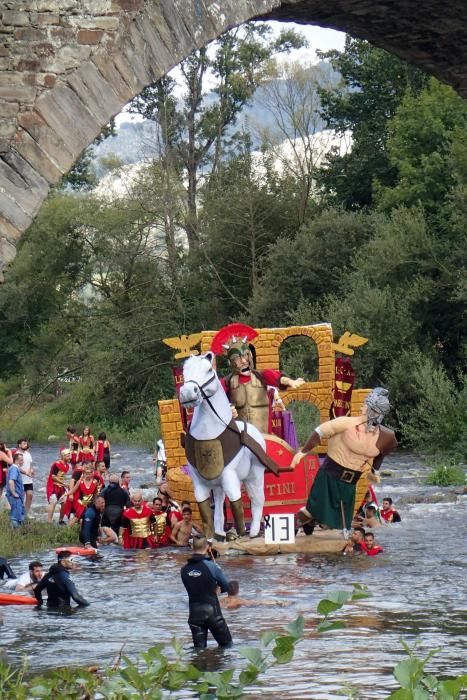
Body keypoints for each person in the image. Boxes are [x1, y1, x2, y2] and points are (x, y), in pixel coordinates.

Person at [292, 387, 398, 533]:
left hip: (351, 482)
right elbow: (320, 431)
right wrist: (303, 452)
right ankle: (293, 526)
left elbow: (382, 453)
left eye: (380, 412)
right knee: (312, 510)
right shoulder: (345, 423)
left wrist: (375, 470)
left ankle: (314, 522)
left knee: (340, 522)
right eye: (374, 410)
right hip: (330, 475)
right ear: (366, 407)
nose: (376, 415)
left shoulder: (385, 436)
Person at [210, 323, 305, 435]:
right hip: (240, 440)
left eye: (245, 356)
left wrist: (291, 381)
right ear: (231, 362)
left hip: (265, 437)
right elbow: (213, 397)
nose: (244, 361)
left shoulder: (262, 376)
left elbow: (278, 378)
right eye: (238, 359)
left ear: (250, 355)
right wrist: (227, 409)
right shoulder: (227, 383)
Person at [180, 537, 235, 649]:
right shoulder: (212, 566)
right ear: (207, 547)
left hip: (194, 615)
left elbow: (195, 585)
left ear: (192, 547)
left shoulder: (184, 570)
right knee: (227, 646)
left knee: (199, 650)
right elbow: (227, 586)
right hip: (212, 613)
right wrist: (218, 584)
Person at [46, 448, 72, 523]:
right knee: (53, 502)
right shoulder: (56, 464)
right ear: (63, 456)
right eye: (68, 456)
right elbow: (53, 476)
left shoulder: (67, 466)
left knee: (65, 502)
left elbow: (62, 476)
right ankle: (49, 521)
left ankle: (60, 520)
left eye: (70, 455)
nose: (70, 457)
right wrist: (64, 484)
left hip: (61, 487)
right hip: (53, 486)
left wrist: (65, 484)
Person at [6, 452, 25, 527]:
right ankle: (15, 534)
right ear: (16, 460)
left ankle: (17, 533)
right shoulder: (14, 469)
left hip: (17, 496)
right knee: (16, 517)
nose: (22, 462)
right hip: (15, 496)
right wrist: (14, 493)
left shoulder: (14, 468)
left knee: (18, 514)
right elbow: (11, 481)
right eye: (21, 460)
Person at [15, 438, 34, 514]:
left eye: (26, 444)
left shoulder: (28, 454)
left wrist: (31, 470)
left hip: (29, 480)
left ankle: (26, 513)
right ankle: (19, 513)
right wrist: (25, 472)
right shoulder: (16, 454)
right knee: (20, 498)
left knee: (30, 495)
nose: (26, 445)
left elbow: (30, 464)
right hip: (20, 480)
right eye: (24, 444)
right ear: (19, 445)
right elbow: (16, 467)